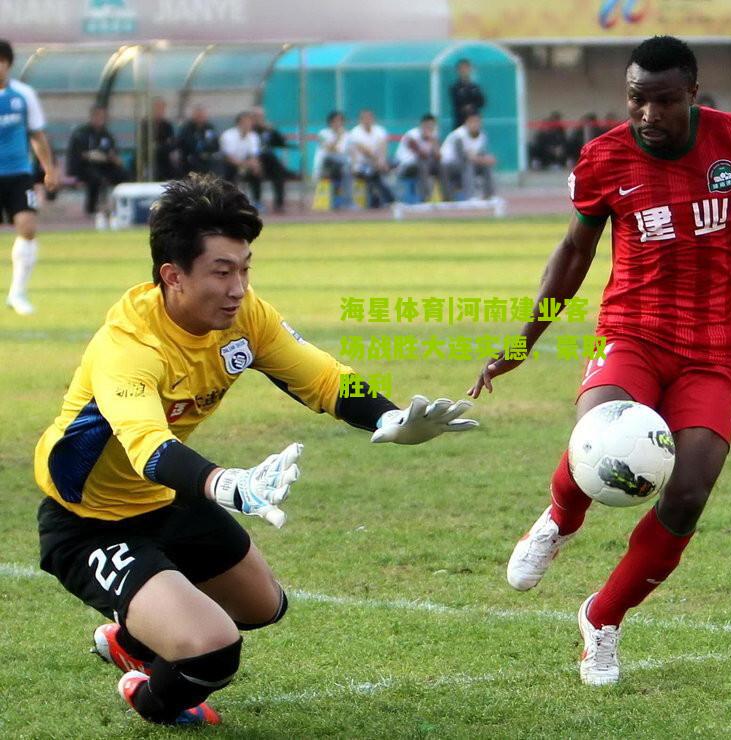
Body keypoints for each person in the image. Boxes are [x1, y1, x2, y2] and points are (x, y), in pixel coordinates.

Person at [468, 35, 731, 687]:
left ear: (692, 94)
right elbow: (572, 257)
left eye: (664, 101)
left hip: (714, 348)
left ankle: (602, 619)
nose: (650, 116)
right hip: (635, 332)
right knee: (598, 438)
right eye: (638, 100)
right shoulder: (602, 157)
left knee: (688, 492)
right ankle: (559, 519)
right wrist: (523, 343)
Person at [35, 173, 477, 727]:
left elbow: (322, 378)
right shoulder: (128, 346)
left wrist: (387, 416)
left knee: (263, 606)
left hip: (164, 498)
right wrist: (228, 484)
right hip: (89, 520)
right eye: (222, 272)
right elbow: (149, 447)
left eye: (244, 268)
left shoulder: (246, 317)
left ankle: (130, 638)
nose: (239, 287)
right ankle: (149, 697)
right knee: (213, 650)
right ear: (172, 276)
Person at [0, 38, 58, 315]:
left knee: (27, 227)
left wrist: (48, 168)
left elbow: (36, 134)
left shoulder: (23, 95)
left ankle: (17, 293)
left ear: (8, 64)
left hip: (18, 173)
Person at [67, 104, 127, 227]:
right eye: (98, 116)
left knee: (123, 174)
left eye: (102, 117)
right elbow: (80, 155)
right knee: (95, 178)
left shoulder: (107, 134)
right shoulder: (81, 133)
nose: (100, 119)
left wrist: (112, 158)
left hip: (105, 166)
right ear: (92, 116)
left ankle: (119, 208)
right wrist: (95, 156)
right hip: (84, 167)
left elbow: (112, 153)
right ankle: (92, 209)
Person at [440, 111, 496, 201]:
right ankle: (471, 196)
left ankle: (489, 195)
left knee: (486, 165)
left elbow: (481, 154)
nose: (475, 124)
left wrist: (488, 159)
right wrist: (483, 159)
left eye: (477, 122)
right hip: (448, 165)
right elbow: (463, 156)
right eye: (472, 122)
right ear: (466, 123)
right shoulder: (458, 136)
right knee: (468, 165)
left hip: (467, 163)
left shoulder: (482, 136)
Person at [348, 109, 394, 208]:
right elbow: (365, 151)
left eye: (369, 118)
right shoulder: (355, 132)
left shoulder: (380, 130)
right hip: (359, 165)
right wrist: (378, 162)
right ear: (360, 120)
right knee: (372, 173)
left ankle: (383, 200)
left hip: (378, 163)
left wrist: (382, 161)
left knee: (393, 164)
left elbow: (383, 148)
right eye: (365, 118)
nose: (367, 120)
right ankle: (388, 200)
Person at [250, 106, 292, 213]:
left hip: (269, 162)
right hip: (252, 161)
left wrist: (272, 130)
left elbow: (281, 143)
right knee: (255, 172)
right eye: (256, 116)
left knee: (278, 171)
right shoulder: (249, 130)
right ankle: (257, 202)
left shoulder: (268, 129)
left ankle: (279, 203)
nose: (258, 119)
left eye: (261, 116)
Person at [394, 113, 441, 202]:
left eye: (432, 126)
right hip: (404, 166)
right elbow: (422, 154)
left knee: (441, 165)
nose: (430, 128)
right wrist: (430, 139)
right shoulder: (411, 135)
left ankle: (448, 198)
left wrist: (433, 141)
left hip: (423, 166)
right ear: (422, 125)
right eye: (428, 126)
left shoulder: (433, 136)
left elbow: (438, 157)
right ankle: (425, 198)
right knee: (422, 163)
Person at [219, 111, 263, 205]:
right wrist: (245, 164)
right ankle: (229, 201)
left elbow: (253, 154)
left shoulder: (253, 136)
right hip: (230, 164)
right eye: (245, 122)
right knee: (229, 171)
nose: (248, 124)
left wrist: (254, 165)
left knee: (257, 171)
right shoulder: (228, 135)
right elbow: (228, 157)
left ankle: (257, 201)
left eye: (250, 122)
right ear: (239, 123)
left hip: (245, 164)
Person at [313, 110, 353, 209]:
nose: (338, 124)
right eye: (335, 121)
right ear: (330, 122)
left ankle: (346, 201)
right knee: (340, 165)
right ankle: (343, 201)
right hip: (325, 165)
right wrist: (338, 136)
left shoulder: (347, 135)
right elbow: (330, 148)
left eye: (340, 121)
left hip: (340, 165)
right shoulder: (323, 133)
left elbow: (348, 152)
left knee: (347, 168)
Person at [139, 96, 179, 181]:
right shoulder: (145, 124)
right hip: (149, 157)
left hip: (164, 157)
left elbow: (172, 143)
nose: (159, 111)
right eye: (157, 108)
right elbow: (144, 143)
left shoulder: (167, 125)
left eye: (162, 109)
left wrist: (161, 146)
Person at [177, 104, 221, 176]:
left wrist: (207, 151)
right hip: (190, 157)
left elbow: (214, 144)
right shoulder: (187, 128)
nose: (200, 117)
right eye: (198, 115)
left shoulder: (209, 128)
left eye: (202, 115)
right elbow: (184, 143)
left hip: (207, 157)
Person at [450, 59, 486, 130]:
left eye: (466, 68)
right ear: (458, 71)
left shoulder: (475, 87)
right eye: (462, 68)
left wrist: (472, 106)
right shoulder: (455, 87)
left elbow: (482, 102)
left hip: (474, 122)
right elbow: (458, 102)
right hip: (460, 122)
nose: (464, 71)